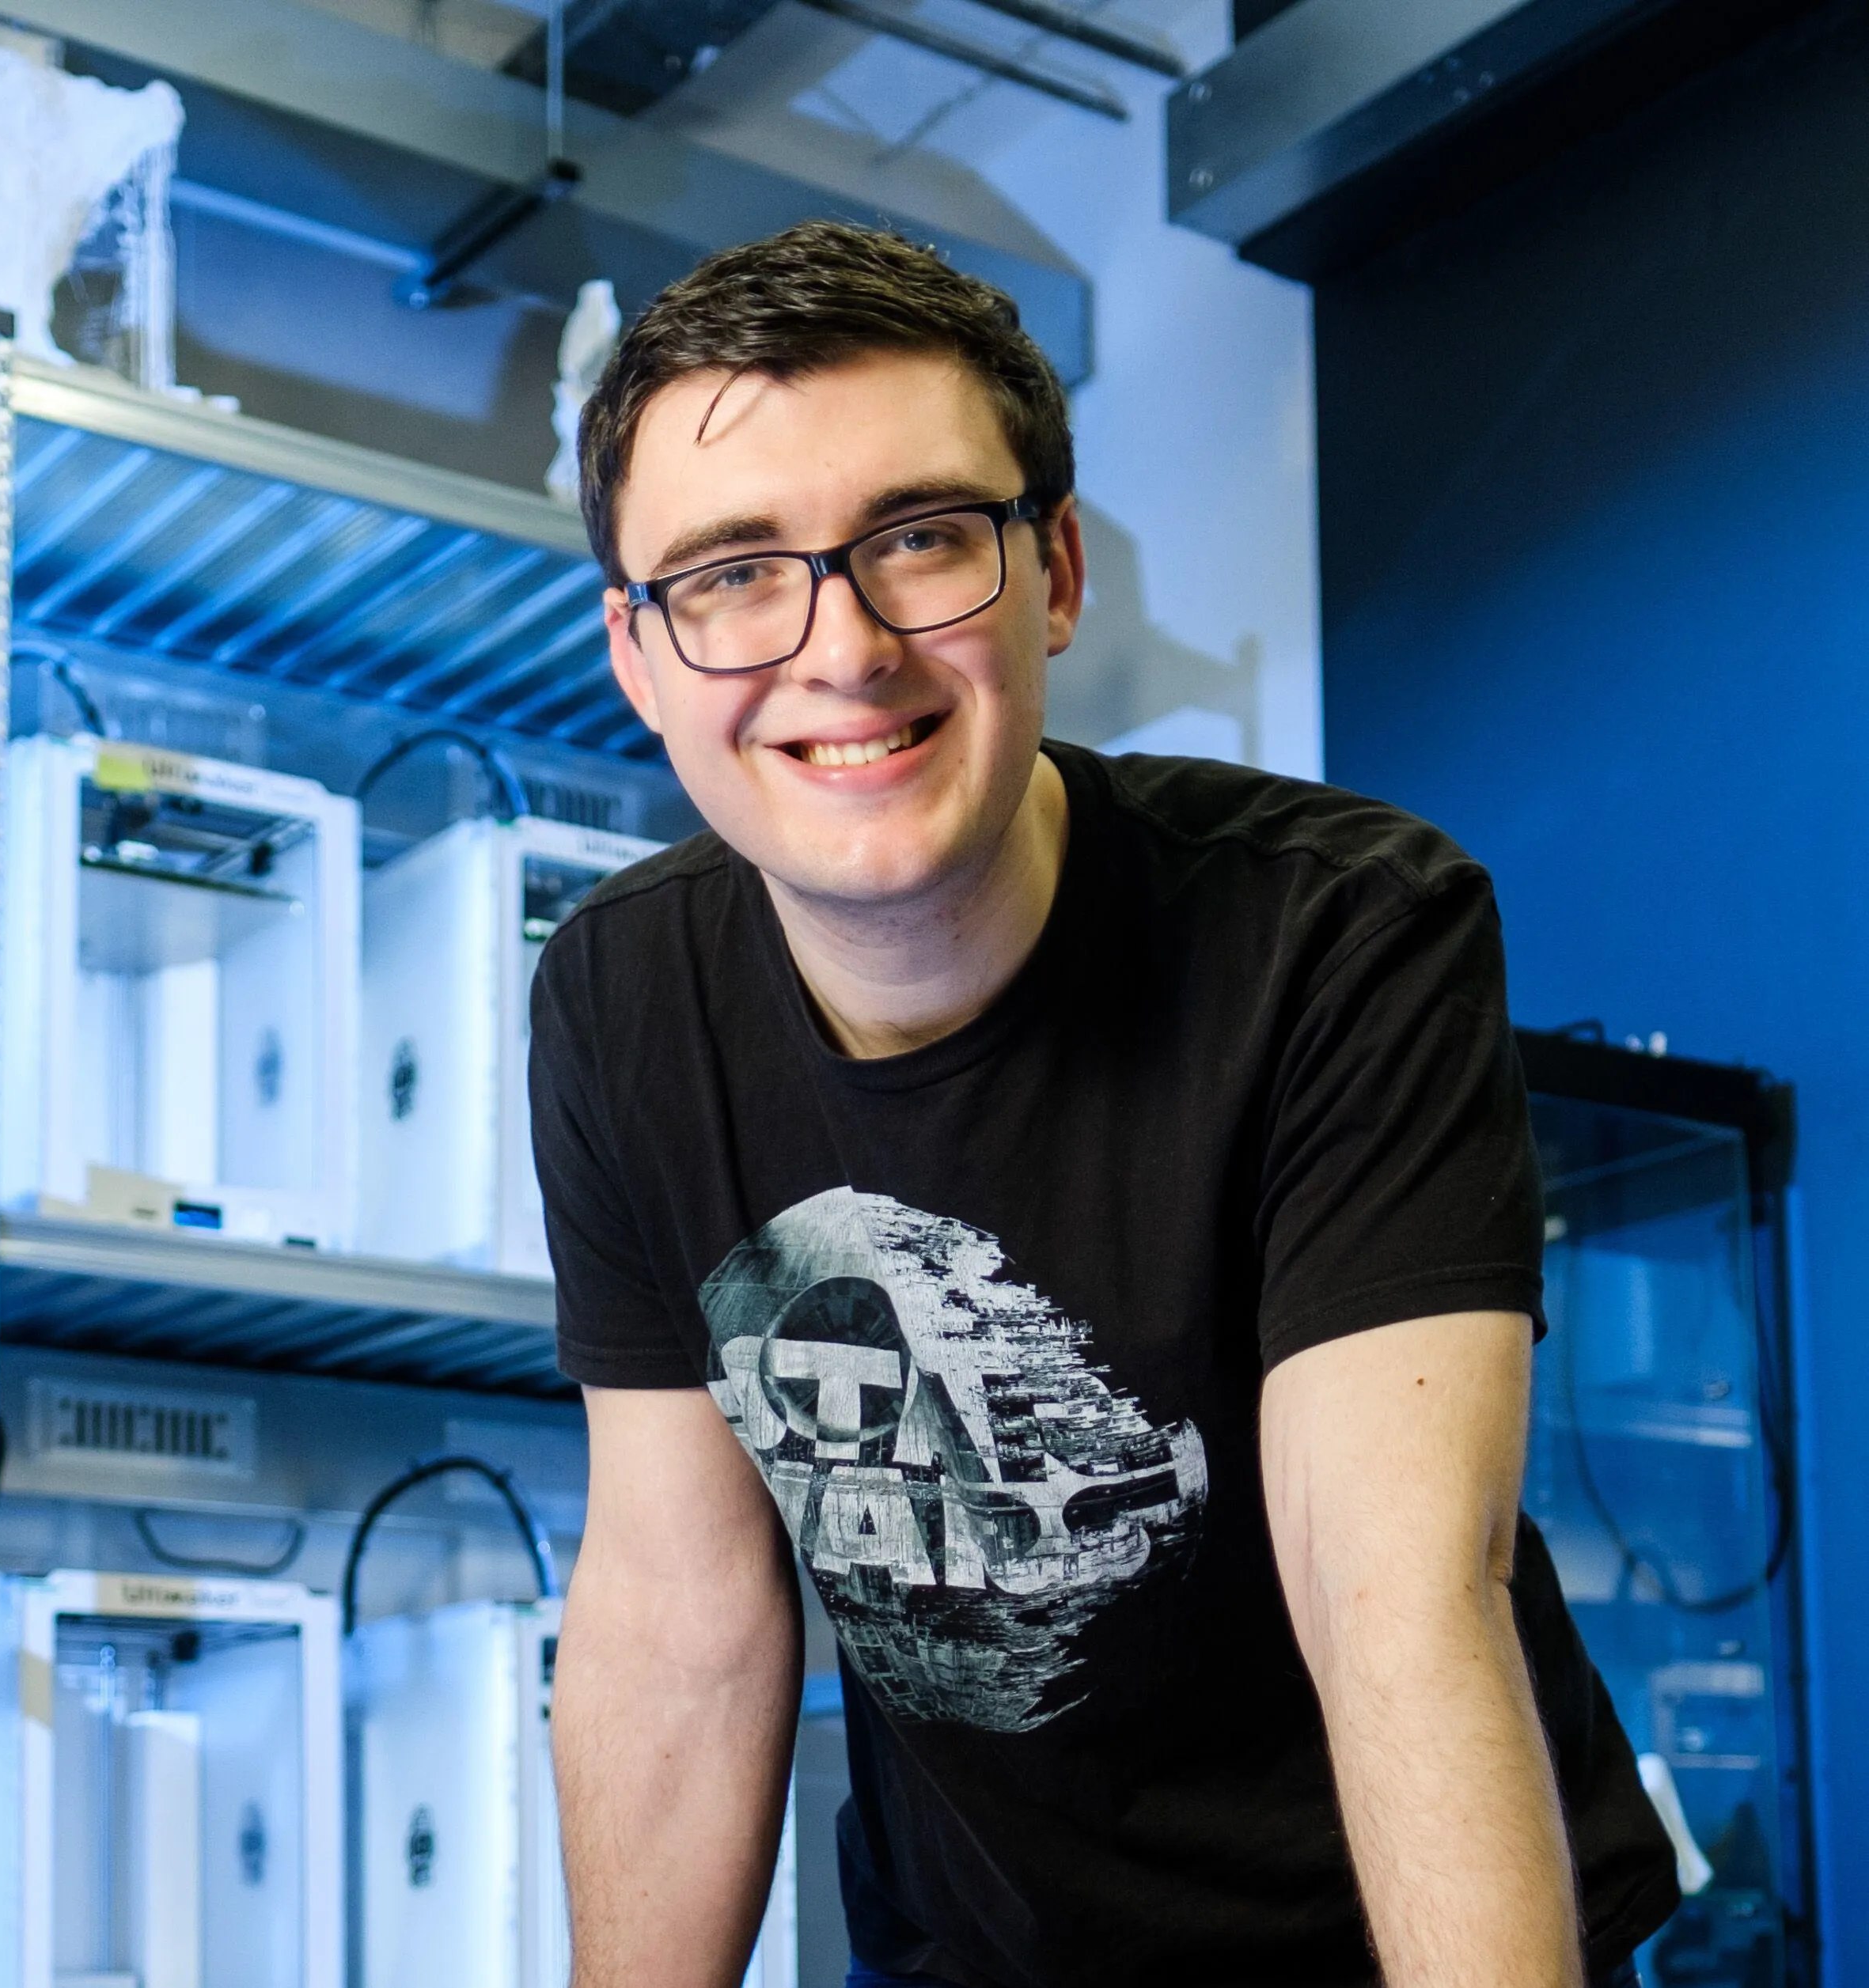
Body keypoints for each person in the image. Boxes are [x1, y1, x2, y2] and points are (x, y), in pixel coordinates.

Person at [533, 221, 1677, 1987]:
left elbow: (1394, 1599)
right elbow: (681, 1615)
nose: (840, 648)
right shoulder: (618, 1000)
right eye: (734, 572)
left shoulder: (1340, 929)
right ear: (640, 653)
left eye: (922, 539)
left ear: (1054, 569)